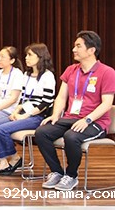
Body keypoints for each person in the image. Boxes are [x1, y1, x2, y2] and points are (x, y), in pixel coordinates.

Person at [36, 31, 115, 190]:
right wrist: (55, 115)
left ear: (91, 50)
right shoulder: (71, 70)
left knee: (71, 136)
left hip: (95, 122)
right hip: (70, 118)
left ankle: (71, 175)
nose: (74, 49)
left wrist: (87, 119)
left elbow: (107, 103)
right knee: (41, 133)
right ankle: (57, 172)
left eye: (78, 46)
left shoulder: (107, 72)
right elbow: (61, 97)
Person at [0, 43, 56, 175]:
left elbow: (46, 102)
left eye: (30, 55)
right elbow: (23, 99)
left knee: (2, 129)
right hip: (23, 112)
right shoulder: (27, 74)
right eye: (26, 55)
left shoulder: (47, 76)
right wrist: (16, 112)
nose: (26, 58)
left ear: (40, 57)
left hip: (38, 116)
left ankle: (15, 159)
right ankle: (3, 162)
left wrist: (25, 115)